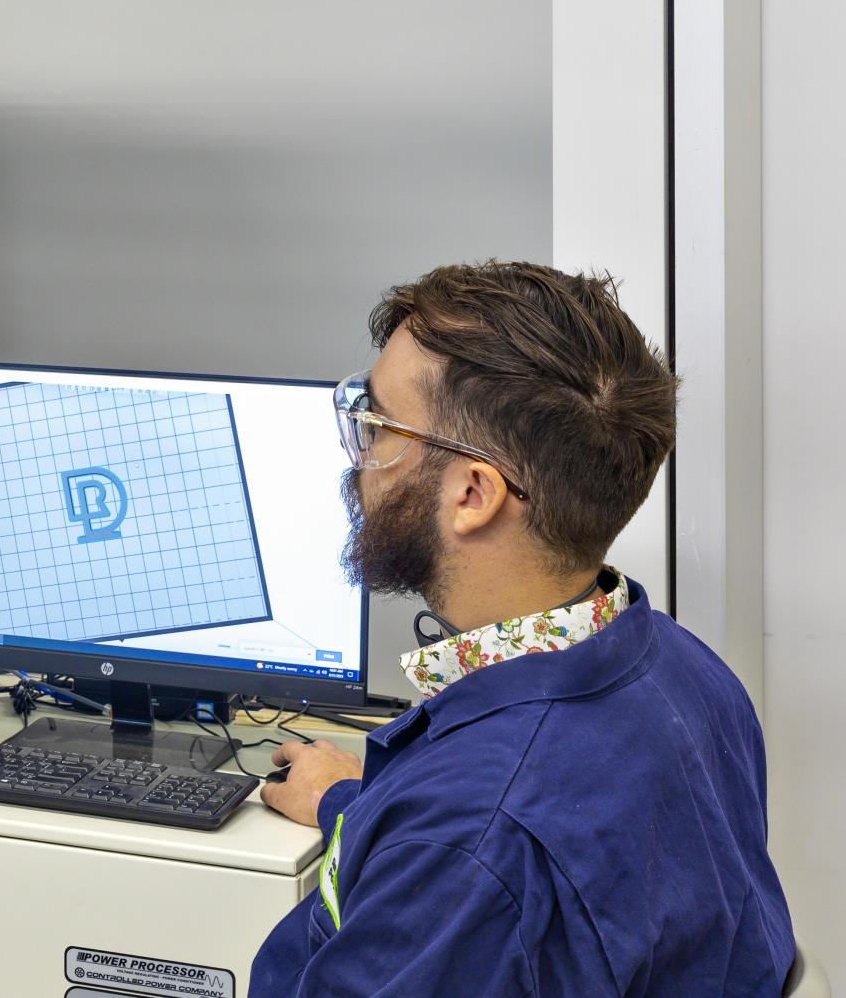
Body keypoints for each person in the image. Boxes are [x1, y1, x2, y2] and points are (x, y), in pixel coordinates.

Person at [252, 261, 794, 994]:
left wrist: (427, 833)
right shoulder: (687, 672)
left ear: (473, 492)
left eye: (376, 427)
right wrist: (358, 802)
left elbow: (486, 857)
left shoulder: (469, 840)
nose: (360, 459)